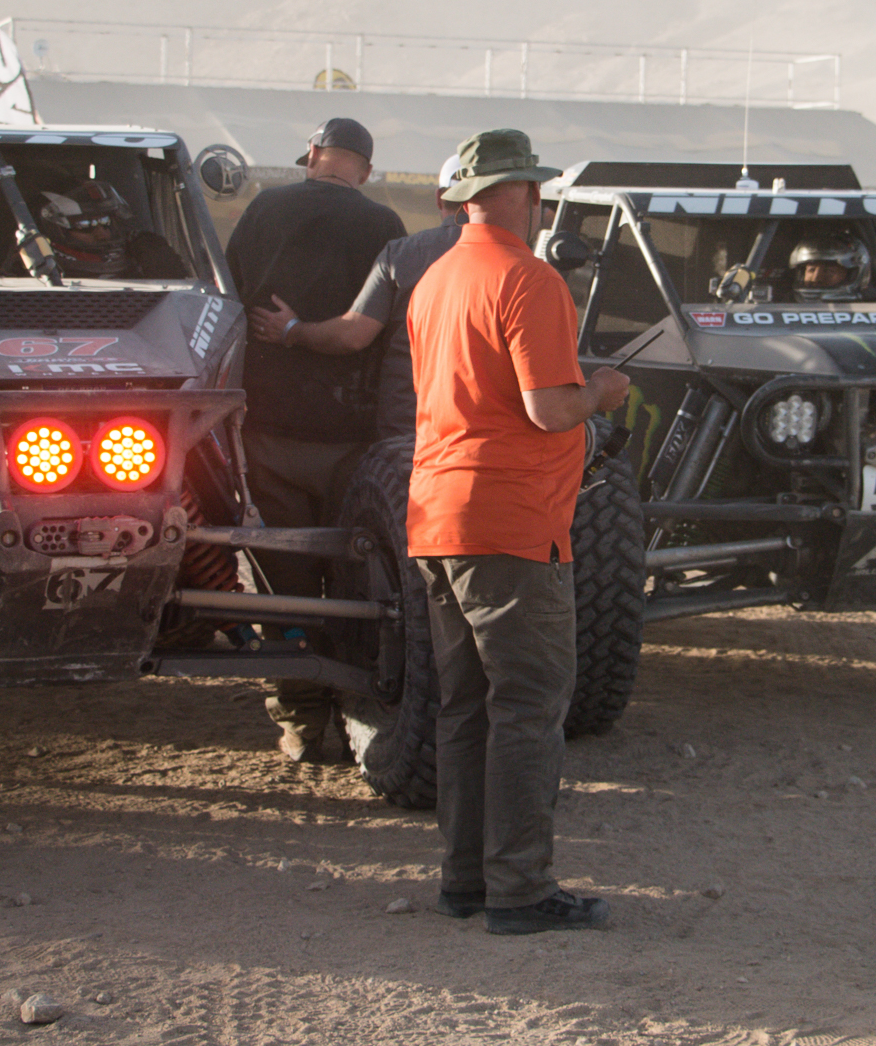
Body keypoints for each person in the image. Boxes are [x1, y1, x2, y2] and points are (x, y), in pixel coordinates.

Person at [404, 128, 632, 935]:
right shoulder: (528, 279)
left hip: (437, 516)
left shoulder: (434, 279)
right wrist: (601, 390)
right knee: (530, 704)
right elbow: (546, 407)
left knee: (465, 706)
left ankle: (466, 880)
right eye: (535, 190)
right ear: (526, 194)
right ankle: (521, 891)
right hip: (511, 521)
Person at [223, 117, 404, 763]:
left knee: (283, 586)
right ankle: (364, 708)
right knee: (360, 585)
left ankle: (300, 721)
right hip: (353, 441)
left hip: (270, 432)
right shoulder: (382, 226)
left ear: (313, 155)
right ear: (365, 167)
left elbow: (225, 300)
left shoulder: (265, 209)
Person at [248, 155, 465, 439]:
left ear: (439, 198)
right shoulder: (522, 265)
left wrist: (292, 330)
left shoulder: (404, 254)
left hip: (411, 431)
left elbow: (353, 335)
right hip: (486, 437)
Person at [31, 178, 189, 280]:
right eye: (86, 226)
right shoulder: (31, 270)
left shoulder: (140, 250)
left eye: (105, 222)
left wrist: (156, 254)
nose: (102, 234)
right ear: (56, 231)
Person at [786, 230, 871, 302]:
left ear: (851, 275)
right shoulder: (783, 304)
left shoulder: (875, 307)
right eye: (811, 270)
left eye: (828, 271)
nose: (816, 278)